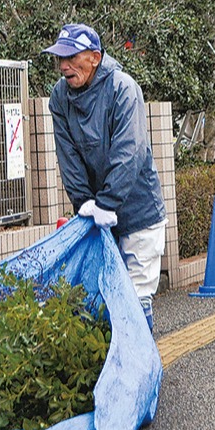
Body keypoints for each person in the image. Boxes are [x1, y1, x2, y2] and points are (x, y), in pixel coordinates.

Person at [45, 23, 168, 331]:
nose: (64, 66)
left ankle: (140, 372)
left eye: (72, 57)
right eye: (60, 58)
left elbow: (131, 151)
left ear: (95, 58)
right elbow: (68, 155)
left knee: (137, 296)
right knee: (105, 296)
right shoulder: (60, 97)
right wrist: (84, 201)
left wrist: (108, 201)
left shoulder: (122, 89)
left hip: (139, 210)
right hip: (98, 213)